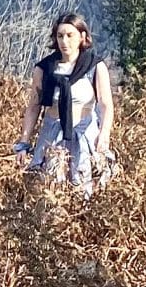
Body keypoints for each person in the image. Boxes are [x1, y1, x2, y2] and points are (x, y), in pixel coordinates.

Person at [13, 12, 116, 192]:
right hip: (52, 135)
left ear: (82, 37)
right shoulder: (44, 69)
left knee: (84, 188)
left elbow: (105, 104)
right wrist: (24, 142)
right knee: (50, 189)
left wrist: (104, 133)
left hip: (85, 134)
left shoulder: (94, 67)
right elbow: (34, 107)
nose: (64, 41)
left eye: (70, 35)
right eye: (60, 36)